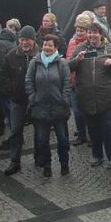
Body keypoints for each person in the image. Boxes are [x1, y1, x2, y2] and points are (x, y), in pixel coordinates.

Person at [69, 21, 111, 168]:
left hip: (105, 97)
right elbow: (68, 66)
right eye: (90, 32)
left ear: (101, 34)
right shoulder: (81, 48)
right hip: (86, 97)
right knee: (93, 130)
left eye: (95, 32)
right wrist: (77, 60)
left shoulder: (110, 48)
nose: (92, 35)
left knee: (108, 129)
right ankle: (97, 155)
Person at [25, 34, 71, 177]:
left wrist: (64, 99)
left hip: (58, 107)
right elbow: (28, 81)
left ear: (55, 47)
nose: (47, 48)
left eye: (50, 45)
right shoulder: (35, 62)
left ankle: (64, 164)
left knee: (62, 139)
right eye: (45, 45)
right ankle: (47, 165)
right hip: (40, 107)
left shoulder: (62, 63)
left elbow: (67, 83)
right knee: (42, 140)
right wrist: (33, 98)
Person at [1, 26, 38, 176]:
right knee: (15, 131)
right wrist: (11, 89)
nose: (24, 43)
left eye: (27, 39)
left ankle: (39, 157)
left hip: (36, 100)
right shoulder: (11, 56)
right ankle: (14, 161)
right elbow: (3, 74)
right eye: (22, 39)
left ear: (33, 40)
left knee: (40, 132)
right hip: (17, 100)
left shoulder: (41, 54)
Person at [65, 15, 91, 146]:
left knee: (89, 111)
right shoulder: (71, 42)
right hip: (74, 82)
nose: (79, 33)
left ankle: (92, 134)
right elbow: (68, 60)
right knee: (77, 111)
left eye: (82, 30)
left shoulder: (91, 43)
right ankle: (81, 135)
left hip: (87, 82)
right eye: (78, 30)